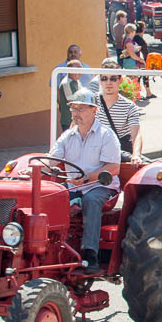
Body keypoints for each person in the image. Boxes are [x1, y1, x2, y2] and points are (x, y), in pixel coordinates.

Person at [49, 88, 120, 274]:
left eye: (81, 109)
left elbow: (114, 168)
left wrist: (88, 177)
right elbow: (51, 160)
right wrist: (33, 170)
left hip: (101, 186)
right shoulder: (67, 136)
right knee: (49, 196)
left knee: (90, 201)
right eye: (74, 108)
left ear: (94, 110)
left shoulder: (106, 135)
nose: (76, 113)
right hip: (74, 186)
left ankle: (90, 255)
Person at [96, 58, 144, 165]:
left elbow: (136, 134)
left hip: (120, 153)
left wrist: (136, 155)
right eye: (104, 78)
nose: (108, 82)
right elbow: (75, 126)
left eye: (113, 79)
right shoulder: (91, 103)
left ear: (120, 80)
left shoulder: (129, 106)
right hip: (96, 152)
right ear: (100, 80)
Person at [58, 59, 82, 131]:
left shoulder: (77, 82)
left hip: (78, 119)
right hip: (69, 121)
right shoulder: (66, 83)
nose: (81, 69)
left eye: (81, 67)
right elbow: (71, 101)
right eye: (78, 67)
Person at [132, 21, 155, 99]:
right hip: (141, 60)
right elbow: (144, 51)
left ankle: (143, 93)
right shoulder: (139, 39)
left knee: (140, 77)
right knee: (143, 77)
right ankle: (142, 93)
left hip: (138, 60)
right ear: (142, 29)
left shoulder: (135, 38)